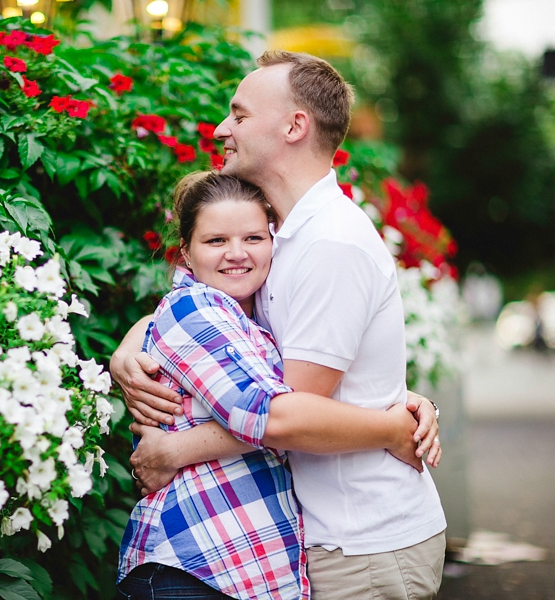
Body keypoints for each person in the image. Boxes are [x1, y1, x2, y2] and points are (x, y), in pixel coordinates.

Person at [113, 51, 446, 600]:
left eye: (239, 115)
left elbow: (285, 413)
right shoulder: (283, 238)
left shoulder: (330, 243)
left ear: (294, 126)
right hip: (324, 536)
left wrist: (176, 449)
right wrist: (132, 345)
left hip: (361, 540)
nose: (221, 129)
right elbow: (230, 328)